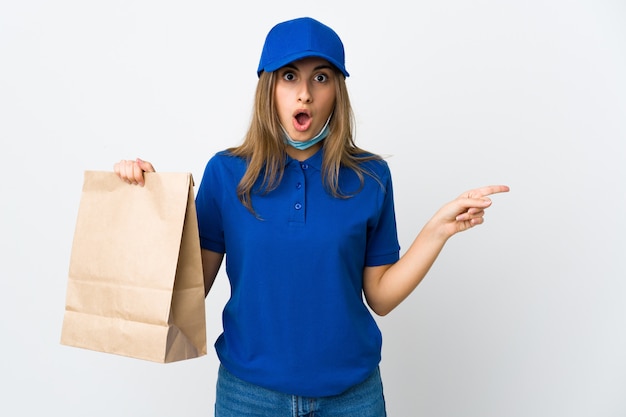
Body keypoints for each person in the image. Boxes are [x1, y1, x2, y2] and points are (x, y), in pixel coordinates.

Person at [114, 16, 509, 417]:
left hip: (352, 398)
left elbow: (381, 297)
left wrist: (437, 231)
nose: (304, 94)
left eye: (320, 78)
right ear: (268, 88)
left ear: (338, 90)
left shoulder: (370, 177)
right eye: (289, 76)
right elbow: (187, 292)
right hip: (248, 397)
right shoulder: (226, 173)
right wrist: (147, 202)